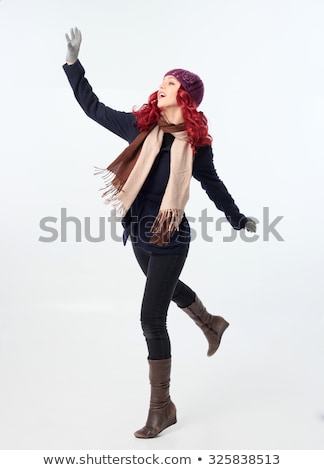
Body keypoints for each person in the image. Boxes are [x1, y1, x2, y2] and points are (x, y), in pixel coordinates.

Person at [63, 27, 256, 439]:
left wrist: (236, 218)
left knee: (151, 316)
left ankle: (161, 407)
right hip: (138, 230)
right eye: (162, 82)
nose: (161, 87)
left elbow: (213, 184)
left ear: (184, 96)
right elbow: (93, 108)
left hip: (170, 236)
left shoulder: (196, 146)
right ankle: (210, 322)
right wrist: (73, 65)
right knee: (164, 290)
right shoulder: (140, 128)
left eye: (170, 83)